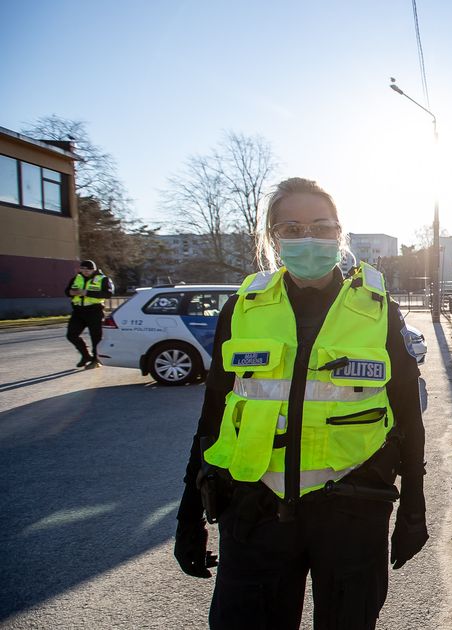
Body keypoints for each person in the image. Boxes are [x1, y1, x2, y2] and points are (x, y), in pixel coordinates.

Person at [173, 177, 428, 629]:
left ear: (339, 234)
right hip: (255, 514)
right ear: (272, 239)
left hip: (353, 511)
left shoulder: (377, 309)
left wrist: (413, 508)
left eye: (321, 227)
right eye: (290, 229)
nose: (307, 239)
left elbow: (407, 415)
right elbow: (213, 415)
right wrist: (189, 516)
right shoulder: (244, 308)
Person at [65, 259, 113, 367]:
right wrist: (71, 292)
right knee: (71, 335)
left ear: (94, 269)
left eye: (89, 269)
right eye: (83, 269)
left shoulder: (103, 279)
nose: (85, 271)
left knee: (96, 337)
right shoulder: (76, 278)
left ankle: (96, 360)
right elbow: (67, 291)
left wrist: (87, 292)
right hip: (78, 311)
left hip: (94, 311)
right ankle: (85, 355)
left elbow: (108, 294)